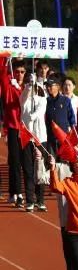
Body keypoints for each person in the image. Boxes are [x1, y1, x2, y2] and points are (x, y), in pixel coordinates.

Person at [20, 76, 48, 212]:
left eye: (35, 86)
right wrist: (28, 86)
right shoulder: (24, 100)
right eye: (32, 86)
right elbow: (23, 97)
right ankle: (30, 200)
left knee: (39, 169)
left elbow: (40, 110)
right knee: (28, 169)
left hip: (40, 138)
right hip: (26, 138)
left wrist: (34, 114)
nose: (33, 89)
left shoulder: (42, 99)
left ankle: (40, 199)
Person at [1, 59, 26, 207]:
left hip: (25, 129)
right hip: (12, 128)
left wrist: (21, 89)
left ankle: (13, 191)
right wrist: (5, 59)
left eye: (22, 72)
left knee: (22, 162)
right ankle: (17, 193)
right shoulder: (9, 86)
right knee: (15, 162)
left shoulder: (28, 87)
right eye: (17, 72)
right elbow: (2, 75)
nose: (20, 74)